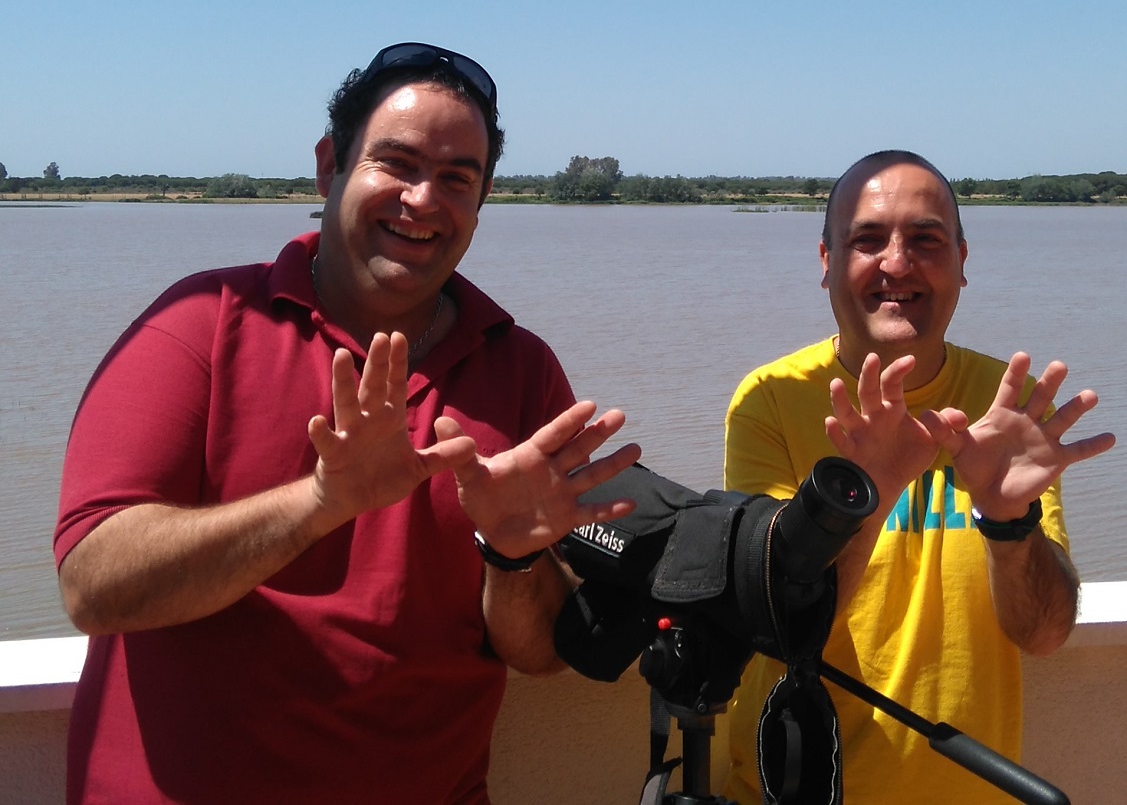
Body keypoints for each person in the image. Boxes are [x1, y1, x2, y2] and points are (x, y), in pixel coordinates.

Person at [55, 42, 641, 805]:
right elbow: (93, 587)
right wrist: (319, 504)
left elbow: (536, 655)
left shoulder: (521, 370)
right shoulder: (199, 325)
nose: (423, 200)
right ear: (330, 166)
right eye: (396, 164)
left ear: (482, 199)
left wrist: (512, 558)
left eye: (457, 178)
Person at [723, 149, 1115, 805]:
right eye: (866, 240)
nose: (896, 265)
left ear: (962, 262)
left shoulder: (1004, 404)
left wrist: (1008, 523)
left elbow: (1043, 634)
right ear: (826, 263)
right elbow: (776, 627)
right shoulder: (768, 400)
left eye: (925, 240)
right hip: (802, 788)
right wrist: (866, 493)